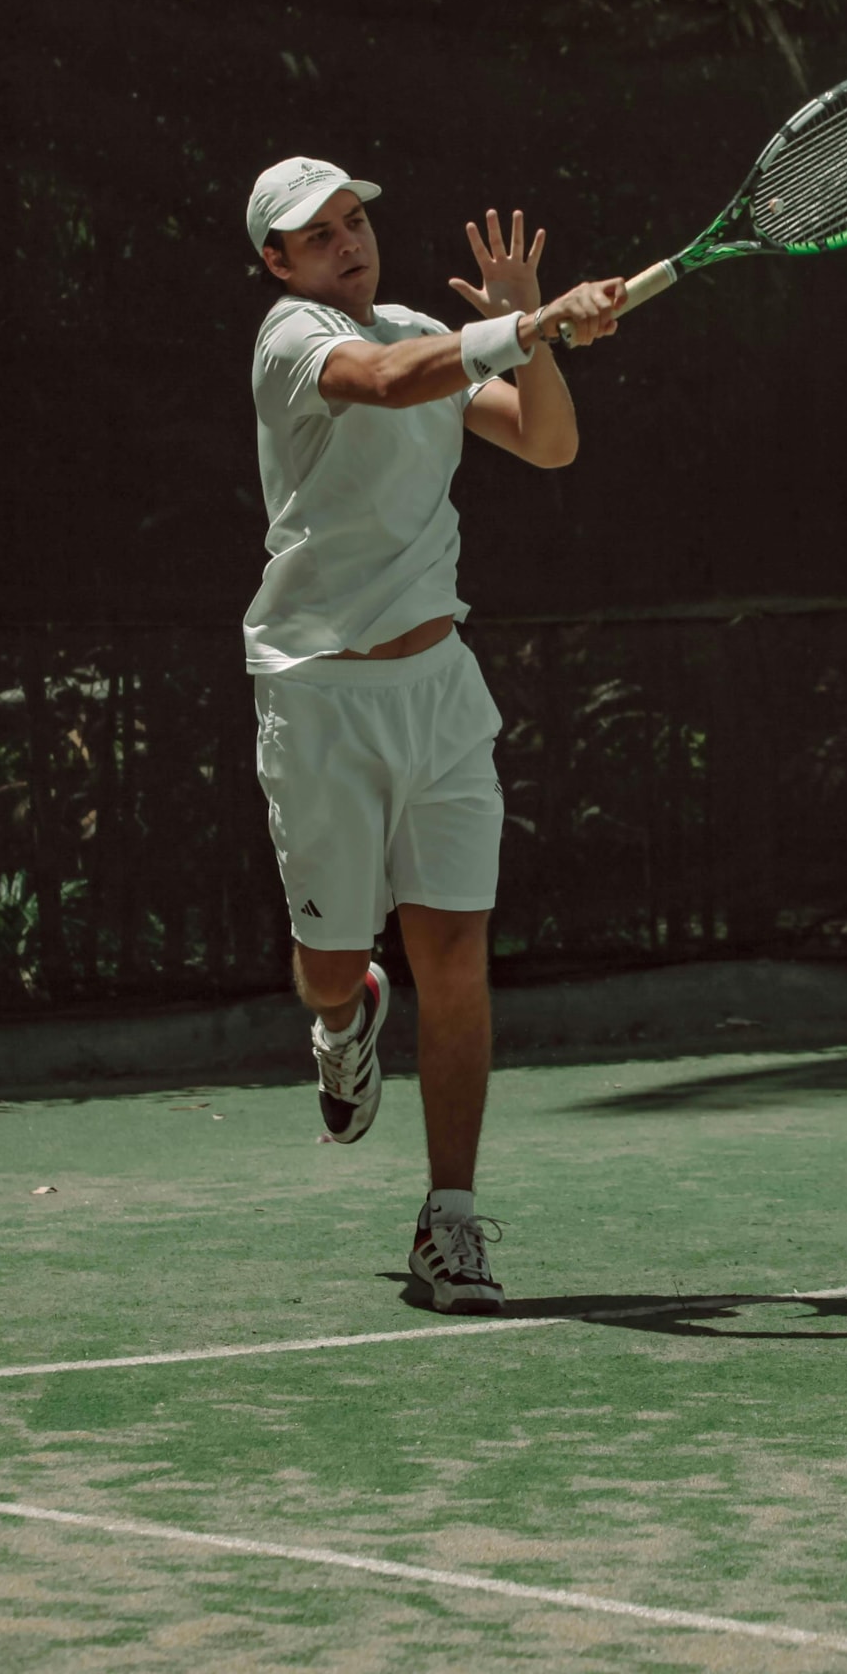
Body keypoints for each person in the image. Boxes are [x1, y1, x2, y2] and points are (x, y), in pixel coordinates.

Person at [243, 156, 623, 1314]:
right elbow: (392, 381)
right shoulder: (294, 342)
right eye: (319, 235)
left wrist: (535, 340)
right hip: (319, 697)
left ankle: (448, 1221)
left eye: (356, 222)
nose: (348, 243)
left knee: (456, 955)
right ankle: (345, 1009)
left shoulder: (420, 325)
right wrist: (521, 324)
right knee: (326, 966)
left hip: (441, 688)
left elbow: (547, 443)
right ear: (279, 261)